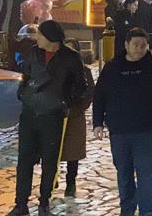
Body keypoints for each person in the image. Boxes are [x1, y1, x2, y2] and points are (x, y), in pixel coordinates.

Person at [8, 21, 89, 216]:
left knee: (50, 160)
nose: (37, 38)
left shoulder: (71, 58)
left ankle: (44, 202)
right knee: (25, 159)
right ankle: (21, 203)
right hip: (30, 114)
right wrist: (23, 93)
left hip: (52, 116)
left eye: (40, 35)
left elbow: (81, 86)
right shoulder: (33, 53)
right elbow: (25, 76)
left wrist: (64, 102)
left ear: (51, 38)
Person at [93, 28, 152, 216]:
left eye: (143, 45)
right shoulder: (112, 68)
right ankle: (127, 210)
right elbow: (100, 95)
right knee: (124, 172)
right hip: (119, 130)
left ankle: (147, 211)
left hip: (148, 131)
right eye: (136, 44)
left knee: (145, 174)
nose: (139, 48)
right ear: (126, 45)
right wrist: (98, 122)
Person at [59, 39, 96, 198]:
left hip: (74, 117)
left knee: (72, 153)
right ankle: (51, 179)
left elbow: (89, 93)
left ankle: (70, 182)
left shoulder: (84, 71)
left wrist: (79, 106)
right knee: (53, 149)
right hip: (56, 116)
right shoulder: (56, 69)